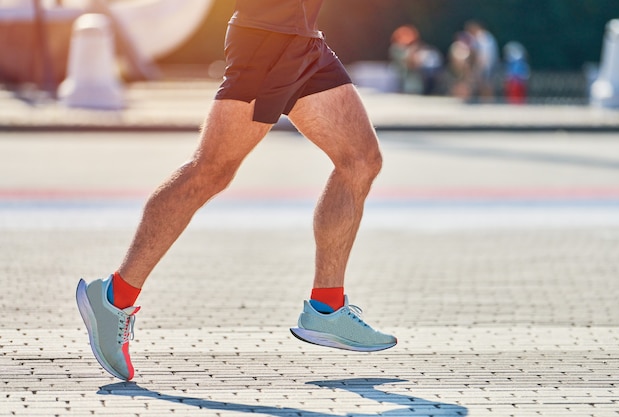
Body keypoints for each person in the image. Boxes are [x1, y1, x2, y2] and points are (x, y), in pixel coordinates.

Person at [75, 0, 397, 382]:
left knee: (360, 160)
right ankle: (114, 298)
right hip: (269, 37)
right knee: (210, 171)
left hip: (303, 40)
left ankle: (326, 308)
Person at [389, 24, 442, 95]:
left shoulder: (422, 50)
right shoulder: (396, 49)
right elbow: (410, 61)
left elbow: (431, 63)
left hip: (420, 87)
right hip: (401, 85)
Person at [465, 20, 499, 100]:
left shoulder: (478, 37)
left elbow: (475, 52)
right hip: (490, 63)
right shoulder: (488, 36)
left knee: (484, 83)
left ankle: (485, 99)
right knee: (488, 83)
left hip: (483, 64)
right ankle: (488, 100)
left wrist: (472, 65)